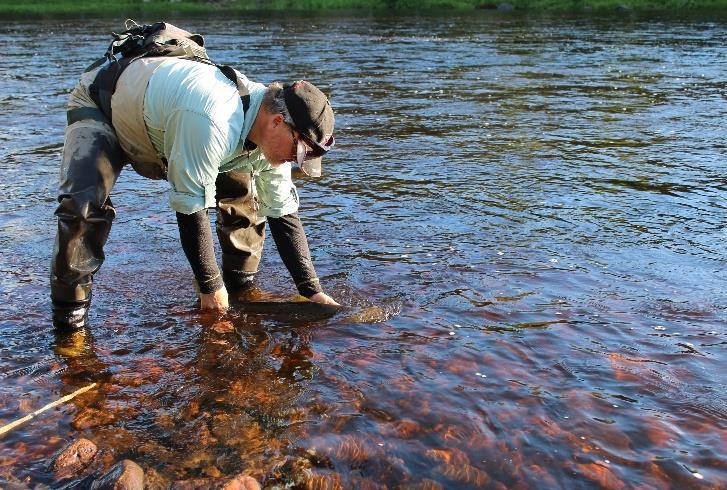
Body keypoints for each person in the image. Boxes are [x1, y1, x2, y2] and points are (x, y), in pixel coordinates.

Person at [50, 26, 339, 330]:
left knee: (244, 195)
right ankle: (70, 325)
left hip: (169, 121)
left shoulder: (270, 128)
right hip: (105, 104)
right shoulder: (213, 120)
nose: (296, 162)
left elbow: (283, 215)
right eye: (299, 152)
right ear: (278, 123)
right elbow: (190, 209)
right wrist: (210, 287)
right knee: (82, 208)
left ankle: (241, 290)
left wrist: (311, 292)